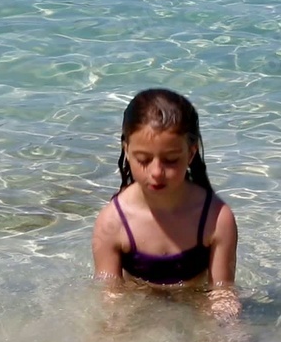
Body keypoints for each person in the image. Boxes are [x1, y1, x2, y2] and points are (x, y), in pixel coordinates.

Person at [92, 88, 240, 322]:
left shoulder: (215, 218)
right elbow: (110, 295)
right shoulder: (113, 221)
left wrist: (225, 332)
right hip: (139, 305)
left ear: (191, 153)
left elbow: (222, 291)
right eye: (143, 160)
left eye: (171, 160)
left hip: (194, 301)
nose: (157, 172)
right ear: (126, 151)